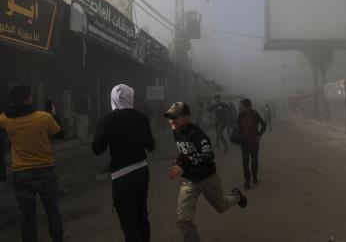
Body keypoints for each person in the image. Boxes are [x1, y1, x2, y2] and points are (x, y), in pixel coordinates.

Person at [164, 102, 247, 242]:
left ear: (187, 117)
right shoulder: (176, 131)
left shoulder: (196, 133)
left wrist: (184, 164)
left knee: (222, 206)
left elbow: (208, 153)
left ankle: (237, 196)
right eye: (169, 117)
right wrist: (178, 163)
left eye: (175, 116)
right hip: (189, 182)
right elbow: (183, 154)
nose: (171, 120)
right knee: (183, 220)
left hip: (208, 178)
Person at [0, 85, 64, 242]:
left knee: (27, 215)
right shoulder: (43, 117)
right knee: (52, 209)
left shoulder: (4, 119)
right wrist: (54, 115)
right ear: (28, 98)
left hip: (21, 173)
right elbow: (60, 133)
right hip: (45, 170)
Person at [92, 84, 155, 242]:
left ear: (113, 98)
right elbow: (151, 146)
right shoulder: (142, 117)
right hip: (142, 171)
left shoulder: (108, 119)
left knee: (129, 220)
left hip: (122, 175)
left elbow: (97, 148)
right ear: (130, 97)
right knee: (141, 214)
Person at [237, 99, 267, 190]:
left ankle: (254, 177)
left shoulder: (255, 114)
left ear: (250, 106)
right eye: (244, 106)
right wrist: (238, 136)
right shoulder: (241, 115)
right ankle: (247, 181)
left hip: (254, 142)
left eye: (247, 106)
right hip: (244, 142)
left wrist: (259, 134)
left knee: (254, 160)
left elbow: (264, 124)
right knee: (245, 161)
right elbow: (237, 126)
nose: (245, 108)